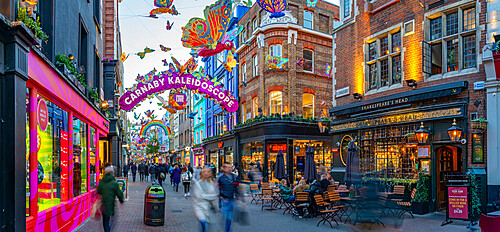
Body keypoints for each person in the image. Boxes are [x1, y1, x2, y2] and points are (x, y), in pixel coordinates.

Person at [97, 165, 124, 232]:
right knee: (111, 221)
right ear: (112, 173)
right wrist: (121, 200)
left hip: (103, 205)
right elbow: (119, 193)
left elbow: (99, 190)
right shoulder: (114, 183)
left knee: (105, 221)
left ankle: (107, 229)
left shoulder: (102, 181)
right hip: (111, 205)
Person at [192, 167, 218, 232]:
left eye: (208, 171)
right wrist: (210, 195)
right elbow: (198, 196)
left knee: (207, 226)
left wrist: (204, 195)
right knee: (204, 224)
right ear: (202, 173)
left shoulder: (212, 184)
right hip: (199, 207)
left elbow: (215, 196)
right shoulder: (197, 184)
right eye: (204, 171)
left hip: (209, 208)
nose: (206, 173)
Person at [218, 162, 239, 232]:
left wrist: (238, 197)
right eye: (228, 167)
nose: (229, 169)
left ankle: (227, 229)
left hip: (231, 198)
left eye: (230, 167)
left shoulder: (234, 177)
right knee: (228, 217)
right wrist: (220, 196)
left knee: (229, 217)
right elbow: (219, 189)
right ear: (224, 168)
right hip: (225, 199)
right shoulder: (221, 178)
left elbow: (236, 187)